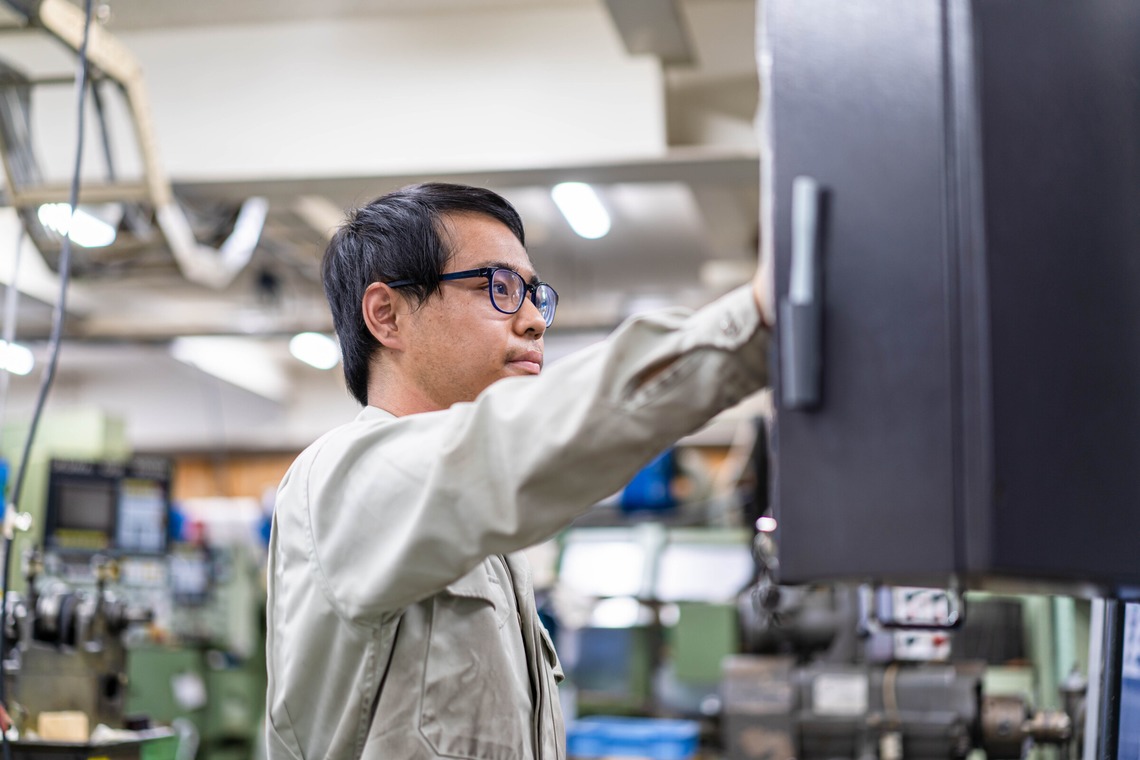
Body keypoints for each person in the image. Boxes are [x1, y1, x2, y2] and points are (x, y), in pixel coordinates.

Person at [264, 182, 772, 759]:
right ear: (388, 315)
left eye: (534, 294)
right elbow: (520, 443)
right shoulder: (340, 482)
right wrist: (752, 320)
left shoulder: (483, 542)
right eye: (499, 288)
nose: (533, 320)